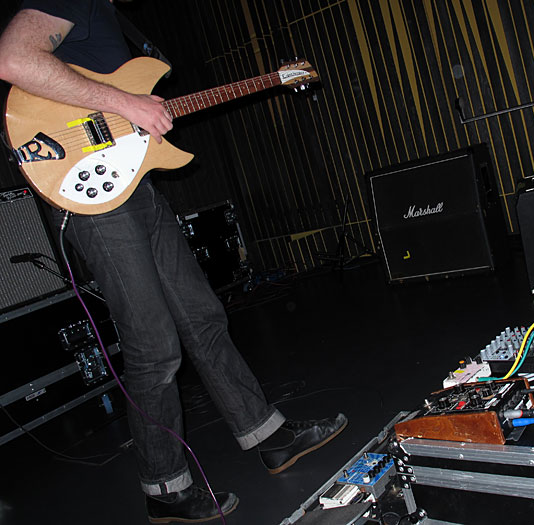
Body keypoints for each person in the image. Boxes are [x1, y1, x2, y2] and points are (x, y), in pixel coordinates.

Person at [0, 1, 347, 523]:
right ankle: (164, 487)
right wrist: (128, 103)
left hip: (132, 179)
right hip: (88, 187)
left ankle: (269, 436)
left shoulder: (111, 15)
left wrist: (136, 107)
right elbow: (13, 59)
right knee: (153, 346)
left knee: (202, 316)